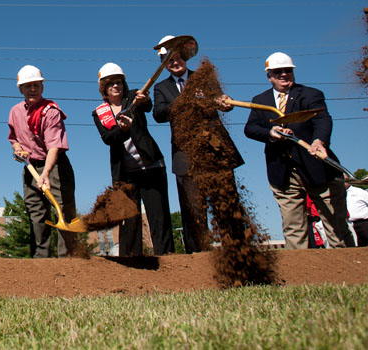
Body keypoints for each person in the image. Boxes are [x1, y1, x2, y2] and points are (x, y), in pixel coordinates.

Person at [244, 52, 353, 249]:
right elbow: (250, 129)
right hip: (282, 170)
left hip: (316, 165)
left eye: (288, 71)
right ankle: (302, 271)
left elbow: (322, 119)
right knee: (293, 226)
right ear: (269, 76)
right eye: (278, 72)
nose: (284, 75)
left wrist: (319, 141)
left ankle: (350, 267)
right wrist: (271, 132)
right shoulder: (260, 100)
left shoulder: (311, 94)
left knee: (335, 223)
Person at [151, 35, 237, 253]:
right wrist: (184, 103)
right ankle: (198, 256)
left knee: (226, 204)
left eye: (178, 57)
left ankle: (236, 251)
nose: (175, 62)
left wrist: (223, 102)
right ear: (164, 64)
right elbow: (159, 114)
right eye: (169, 60)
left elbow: (219, 98)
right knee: (193, 210)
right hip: (185, 154)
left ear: (185, 57)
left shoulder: (203, 78)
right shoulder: (161, 88)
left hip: (214, 149)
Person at [91, 63, 174, 256]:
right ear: (104, 88)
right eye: (111, 83)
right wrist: (122, 130)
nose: (116, 86)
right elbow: (108, 139)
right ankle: (130, 261)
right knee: (129, 219)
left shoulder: (134, 97)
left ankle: (168, 258)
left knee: (159, 216)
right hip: (126, 175)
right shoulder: (99, 113)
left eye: (119, 82)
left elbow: (147, 105)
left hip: (151, 167)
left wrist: (144, 99)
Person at [8, 65, 78, 258]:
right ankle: (41, 260)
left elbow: (54, 146)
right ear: (20, 89)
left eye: (36, 85)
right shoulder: (15, 112)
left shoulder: (51, 111)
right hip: (30, 166)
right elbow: (13, 139)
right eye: (28, 85)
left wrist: (46, 174)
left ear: (42, 87)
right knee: (36, 212)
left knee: (62, 209)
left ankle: (69, 258)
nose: (32, 89)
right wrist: (18, 149)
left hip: (54, 165)